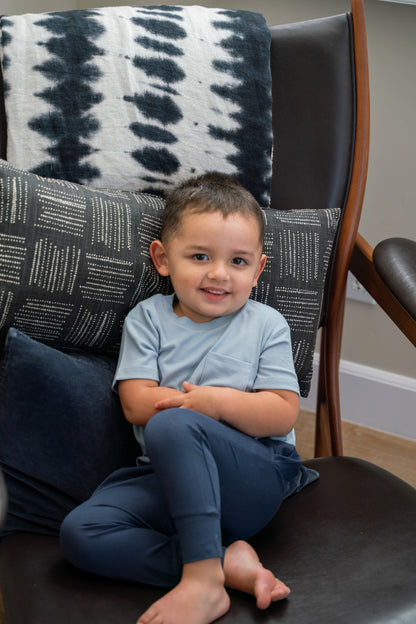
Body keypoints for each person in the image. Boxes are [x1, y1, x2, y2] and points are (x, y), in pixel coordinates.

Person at [60, 172, 318, 624]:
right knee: (81, 533)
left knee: (172, 422)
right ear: (162, 258)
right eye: (200, 256)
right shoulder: (148, 319)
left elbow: (281, 413)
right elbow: (135, 403)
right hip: (167, 477)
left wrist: (214, 404)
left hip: (252, 480)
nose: (219, 274)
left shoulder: (266, 325)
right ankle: (223, 564)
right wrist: (189, 412)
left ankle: (201, 583)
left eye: (238, 262)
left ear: (257, 270)